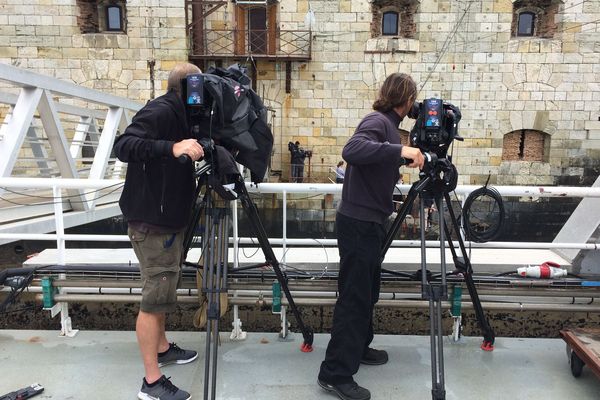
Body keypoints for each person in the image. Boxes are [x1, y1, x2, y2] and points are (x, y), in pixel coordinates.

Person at [318, 73, 425, 400]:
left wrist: (396, 154)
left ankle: (359, 347)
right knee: (354, 298)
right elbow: (353, 149)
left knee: (367, 291)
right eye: (413, 99)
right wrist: (403, 151)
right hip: (359, 224)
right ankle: (335, 373)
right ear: (405, 99)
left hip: (369, 223)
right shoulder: (377, 121)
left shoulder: (388, 127)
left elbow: (376, 158)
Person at [114, 62, 206, 400]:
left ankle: (164, 348)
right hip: (153, 223)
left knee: (163, 290)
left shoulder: (182, 114)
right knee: (154, 300)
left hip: (167, 220)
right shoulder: (161, 110)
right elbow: (124, 145)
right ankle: (152, 383)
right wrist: (172, 147)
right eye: (199, 87)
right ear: (188, 87)